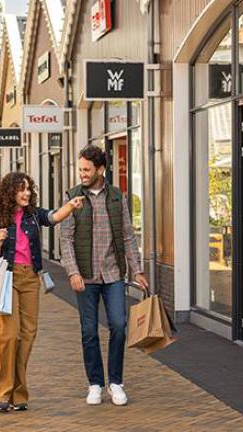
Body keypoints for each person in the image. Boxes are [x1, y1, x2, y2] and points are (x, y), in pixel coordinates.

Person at [0, 172, 84, 412]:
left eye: (29, 188)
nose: (27, 193)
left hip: (31, 278)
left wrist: (70, 206)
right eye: (21, 189)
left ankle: (19, 393)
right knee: (9, 336)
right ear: (10, 192)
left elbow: (53, 217)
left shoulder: (33, 215)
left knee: (27, 335)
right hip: (7, 278)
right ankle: (2, 392)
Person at [60, 145, 148, 407]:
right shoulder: (73, 197)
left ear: (100, 169)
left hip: (112, 274)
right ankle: (95, 383)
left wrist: (138, 269)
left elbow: (127, 234)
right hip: (85, 277)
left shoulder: (116, 197)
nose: (82, 174)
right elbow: (65, 239)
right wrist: (72, 272)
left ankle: (116, 382)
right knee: (89, 331)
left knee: (119, 326)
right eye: (80, 169)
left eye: (87, 170)